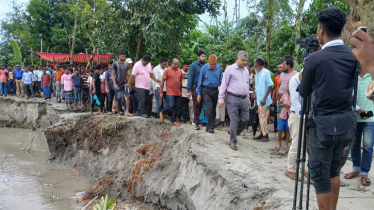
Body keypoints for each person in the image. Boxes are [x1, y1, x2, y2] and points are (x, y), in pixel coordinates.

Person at [299, 7, 356, 210]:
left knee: (320, 175)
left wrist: (303, 77)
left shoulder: (314, 59)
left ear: (321, 30)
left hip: (321, 126)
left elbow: (304, 91)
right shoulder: (352, 56)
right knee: (334, 171)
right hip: (345, 123)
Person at [343, 69, 374, 186]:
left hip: (370, 117)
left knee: (368, 146)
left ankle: (364, 172)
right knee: (354, 144)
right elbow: (347, 94)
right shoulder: (352, 74)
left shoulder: (372, 75)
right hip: (355, 115)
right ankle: (356, 169)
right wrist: (358, 109)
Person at [219, 51, 251, 150]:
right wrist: (221, 98)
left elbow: (247, 84)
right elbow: (224, 84)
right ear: (237, 58)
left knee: (246, 119)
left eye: (246, 60)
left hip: (244, 98)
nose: (244, 62)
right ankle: (233, 141)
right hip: (232, 98)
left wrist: (248, 98)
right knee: (234, 120)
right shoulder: (230, 69)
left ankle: (234, 131)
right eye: (243, 60)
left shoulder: (246, 70)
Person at [285, 71, 305, 180]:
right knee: (296, 144)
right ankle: (290, 169)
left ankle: (302, 168)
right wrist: (304, 116)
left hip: (307, 114)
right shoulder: (294, 80)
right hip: (297, 115)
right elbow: (295, 101)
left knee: (305, 144)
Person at [197, 54, 223, 133]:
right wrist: (199, 94)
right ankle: (209, 126)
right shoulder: (204, 68)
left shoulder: (218, 68)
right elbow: (200, 81)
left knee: (214, 108)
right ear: (208, 62)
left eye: (214, 64)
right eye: (211, 64)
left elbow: (221, 81)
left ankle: (211, 126)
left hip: (215, 90)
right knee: (210, 107)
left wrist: (222, 92)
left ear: (216, 63)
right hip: (206, 90)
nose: (213, 66)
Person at [253, 57, 274, 142]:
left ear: (258, 64)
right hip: (259, 99)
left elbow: (270, 85)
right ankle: (262, 133)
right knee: (260, 117)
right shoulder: (257, 73)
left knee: (263, 117)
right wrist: (255, 94)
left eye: (255, 63)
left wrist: (265, 98)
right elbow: (256, 86)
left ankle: (265, 135)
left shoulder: (266, 72)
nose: (254, 65)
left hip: (264, 100)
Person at [159, 58, 183, 126]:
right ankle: (163, 113)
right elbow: (162, 81)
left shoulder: (179, 71)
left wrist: (180, 91)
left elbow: (180, 81)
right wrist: (161, 92)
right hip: (170, 91)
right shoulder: (167, 70)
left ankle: (173, 120)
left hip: (177, 92)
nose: (176, 65)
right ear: (171, 63)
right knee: (171, 104)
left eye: (177, 64)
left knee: (177, 106)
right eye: (175, 64)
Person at [186, 50, 206, 130]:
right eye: (202, 56)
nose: (204, 58)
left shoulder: (205, 66)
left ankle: (195, 119)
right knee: (196, 104)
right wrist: (188, 90)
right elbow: (190, 78)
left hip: (203, 87)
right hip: (195, 87)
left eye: (205, 56)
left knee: (201, 104)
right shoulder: (193, 65)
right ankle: (197, 122)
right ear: (198, 57)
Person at [112, 50, 129, 116]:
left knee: (128, 96)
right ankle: (118, 112)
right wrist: (115, 84)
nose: (123, 57)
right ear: (119, 56)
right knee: (118, 98)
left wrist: (128, 83)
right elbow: (113, 74)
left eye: (124, 56)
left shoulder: (125, 64)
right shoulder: (115, 64)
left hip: (124, 84)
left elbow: (126, 74)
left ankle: (127, 111)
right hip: (118, 83)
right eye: (122, 56)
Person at [275, 85, 291, 151]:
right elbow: (280, 103)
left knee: (288, 130)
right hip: (283, 114)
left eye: (288, 87)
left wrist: (289, 106)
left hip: (289, 114)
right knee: (280, 129)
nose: (287, 88)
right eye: (287, 86)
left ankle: (286, 144)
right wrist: (283, 105)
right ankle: (279, 143)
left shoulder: (294, 96)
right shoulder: (284, 95)